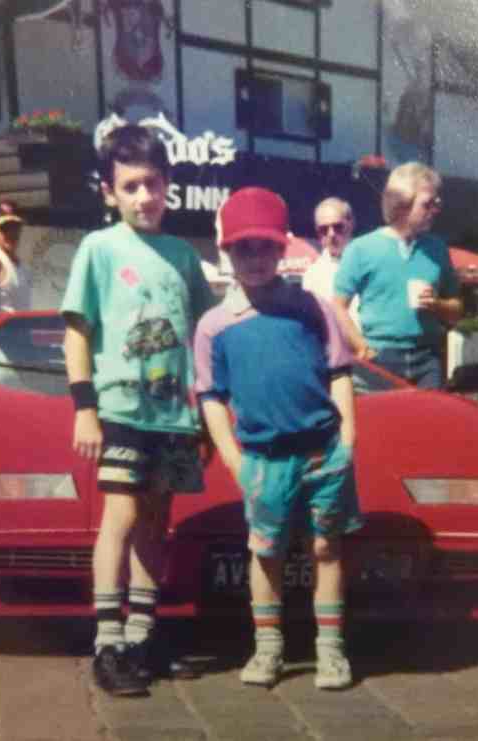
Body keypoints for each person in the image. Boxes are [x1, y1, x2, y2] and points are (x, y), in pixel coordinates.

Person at [60, 124, 215, 697]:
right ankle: (108, 642)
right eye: (131, 186)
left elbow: (204, 333)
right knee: (120, 515)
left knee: (157, 520)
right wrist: (84, 408)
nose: (144, 197)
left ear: (168, 184)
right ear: (110, 192)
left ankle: (143, 634)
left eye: (152, 183)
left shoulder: (181, 255)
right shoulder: (98, 249)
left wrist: (206, 412)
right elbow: (77, 332)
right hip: (122, 406)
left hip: (174, 414)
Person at [194, 187, 362, 691]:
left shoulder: (313, 309)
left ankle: (330, 650)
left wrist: (348, 436)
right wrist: (233, 460)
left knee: (327, 548)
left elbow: (339, 371)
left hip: (324, 453)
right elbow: (211, 397)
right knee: (265, 553)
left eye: (265, 247)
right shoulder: (215, 327)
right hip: (263, 462)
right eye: (243, 248)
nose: (256, 258)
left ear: (282, 248)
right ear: (226, 252)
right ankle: (268, 648)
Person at [333, 162, 462, 386]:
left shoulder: (437, 248)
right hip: (381, 358)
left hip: (428, 360)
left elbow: (457, 310)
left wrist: (437, 304)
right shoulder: (362, 249)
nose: (435, 209)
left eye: (437, 202)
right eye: (427, 204)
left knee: (431, 421)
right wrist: (362, 347)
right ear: (401, 205)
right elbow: (337, 307)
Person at [302, 197, 355, 300]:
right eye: (323, 229)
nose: (331, 234)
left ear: (351, 224)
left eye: (338, 227)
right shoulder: (312, 276)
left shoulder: (370, 260)